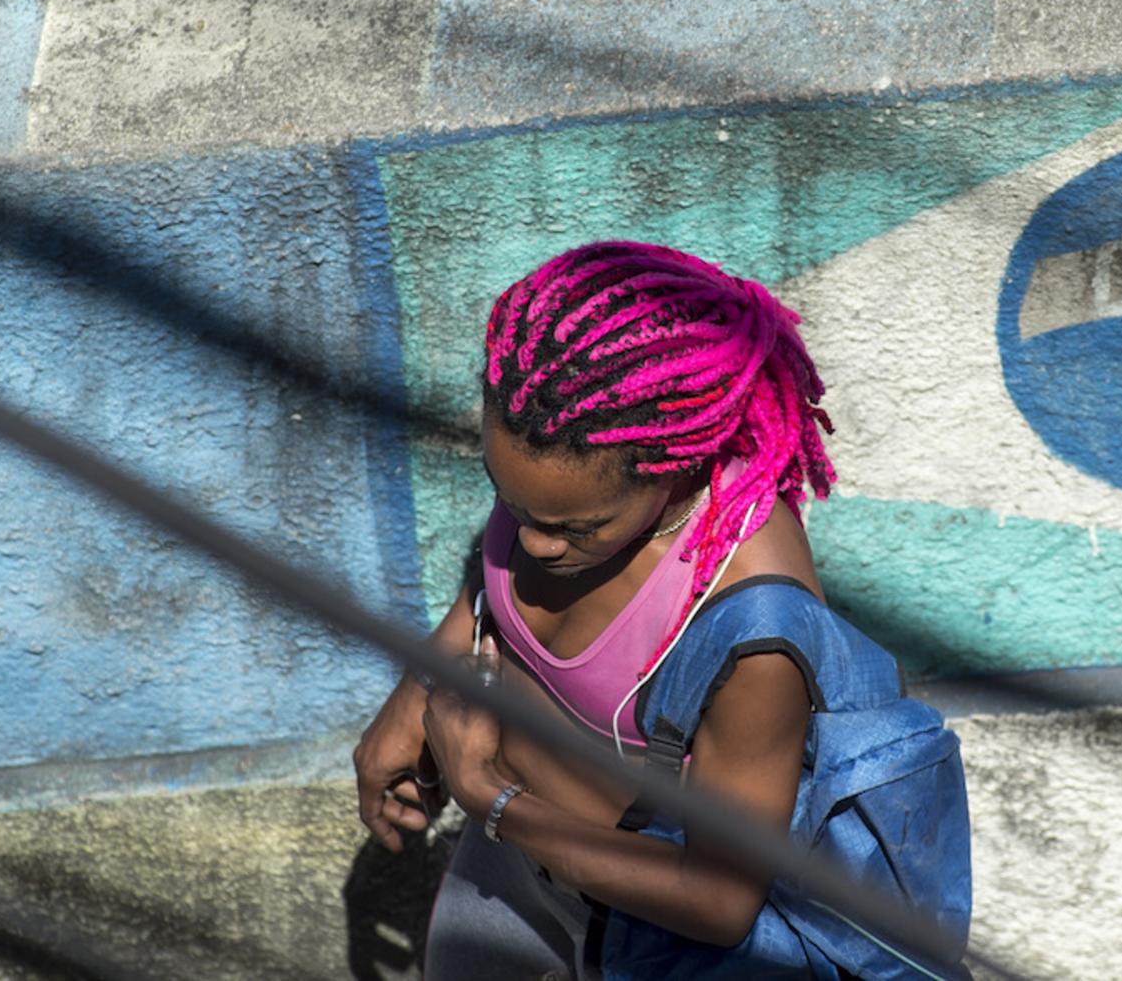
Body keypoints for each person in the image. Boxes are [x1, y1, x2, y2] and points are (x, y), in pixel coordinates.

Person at [351, 241, 960, 978]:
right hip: (511, 872)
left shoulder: (752, 629)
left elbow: (720, 898)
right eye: (510, 500)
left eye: (575, 528)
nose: (536, 543)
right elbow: (496, 586)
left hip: (633, 937)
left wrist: (487, 794)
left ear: (673, 467)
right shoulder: (564, 451)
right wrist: (416, 690)